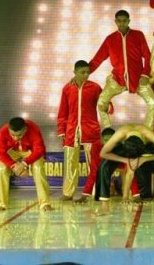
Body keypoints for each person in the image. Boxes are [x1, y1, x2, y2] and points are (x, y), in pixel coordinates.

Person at [89, 10, 154, 129]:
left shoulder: (138, 35)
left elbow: (147, 56)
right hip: (117, 79)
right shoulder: (110, 39)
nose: (122, 23)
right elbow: (97, 59)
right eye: (119, 21)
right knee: (100, 103)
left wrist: (145, 75)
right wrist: (84, 73)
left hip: (138, 79)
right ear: (115, 21)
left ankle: (148, 131)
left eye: (124, 20)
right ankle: (107, 132)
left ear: (128, 21)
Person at [95, 124, 154, 216]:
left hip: (145, 150)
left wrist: (145, 159)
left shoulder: (148, 134)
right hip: (125, 150)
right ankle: (105, 207)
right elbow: (103, 153)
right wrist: (125, 160)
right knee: (104, 165)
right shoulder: (120, 133)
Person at [57, 60, 102, 201]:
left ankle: (97, 192)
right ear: (74, 72)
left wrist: (108, 106)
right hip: (71, 131)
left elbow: (105, 104)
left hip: (91, 129)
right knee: (70, 163)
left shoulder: (95, 88)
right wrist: (62, 131)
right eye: (82, 72)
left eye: (88, 72)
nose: (86, 75)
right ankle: (68, 193)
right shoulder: (67, 89)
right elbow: (62, 112)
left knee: (94, 162)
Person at [0, 117, 52, 211]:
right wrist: (14, 166)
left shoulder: (33, 128)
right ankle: (1, 203)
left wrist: (23, 164)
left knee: (38, 167)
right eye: (12, 135)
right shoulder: (4, 130)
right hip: (13, 151)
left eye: (19, 135)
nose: (16, 138)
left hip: (31, 152)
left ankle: (45, 203)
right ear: (9, 129)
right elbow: (0, 152)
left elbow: (39, 150)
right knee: (1, 169)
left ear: (25, 129)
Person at [74, 127, 140, 203]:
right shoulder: (96, 146)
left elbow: (130, 171)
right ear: (101, 139)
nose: (108, 143)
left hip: (120, 161)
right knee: (96, 172)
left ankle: (134, 195)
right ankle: (86, 196)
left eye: (110, 140)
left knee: (129, 170)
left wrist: (136, 196)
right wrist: (84, 196)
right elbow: (94, 172)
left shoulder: (123, 146)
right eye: (105, 140)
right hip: (104, 162)